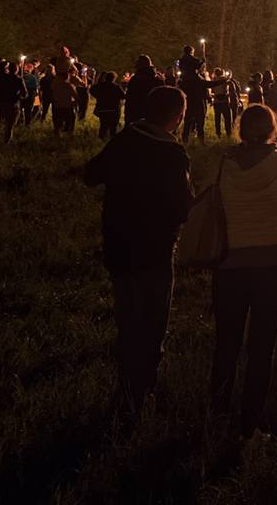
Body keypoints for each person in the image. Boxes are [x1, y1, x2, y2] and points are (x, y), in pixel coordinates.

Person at [84, 86, 192, 420]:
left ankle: (127, 384)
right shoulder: (172, 153)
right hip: (156, 249)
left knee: (128, 318)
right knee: (153, 320)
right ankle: (142, 388)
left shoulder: (124, 140)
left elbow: (91, 175)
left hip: (119, 242)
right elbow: (183, 206)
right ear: (177, 117)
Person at [209, 104, 277, 439]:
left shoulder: (225, 165)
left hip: (231, 263)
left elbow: (216, 206)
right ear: (274, 129)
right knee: (263, 345)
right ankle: (250, 422)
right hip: (274, 261)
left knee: (226, 343)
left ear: (241, 129)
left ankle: (217, 413)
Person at [0, 61, 27, 144]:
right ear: (17, 69)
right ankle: (7, 142)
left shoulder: (1, 78)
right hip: (13, 103)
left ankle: (8, 138)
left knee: (7, 121)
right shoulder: (18, 79)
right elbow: (24, 93)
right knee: (11, 124)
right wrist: (20, 96)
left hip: (2, 102)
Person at [124, 56, 163, 126]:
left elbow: (130, 97)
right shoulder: (158, 79)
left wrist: (127, 116)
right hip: (152, 113)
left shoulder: (135, 79)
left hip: (135, 112)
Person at [90, 72, 126, 140]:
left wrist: (98, 96)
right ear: (114, 78)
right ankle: (112, 142)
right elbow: (123, 96)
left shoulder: (100, 86)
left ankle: (101, 140)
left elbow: (91, 90)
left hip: (102, 109)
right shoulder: (116, 87)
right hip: (114, 110)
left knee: (103, 126)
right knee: (113, 128)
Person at [50, 67, 78, 135]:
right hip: (68, 106)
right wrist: (75, 101)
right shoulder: (69, 86)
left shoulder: (55, 85)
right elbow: (75, 96)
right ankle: (69, 134)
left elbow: (53, 95)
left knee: (58, 122)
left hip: (58, 106)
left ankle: (57, 135)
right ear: (67, 77)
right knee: (70, 120)